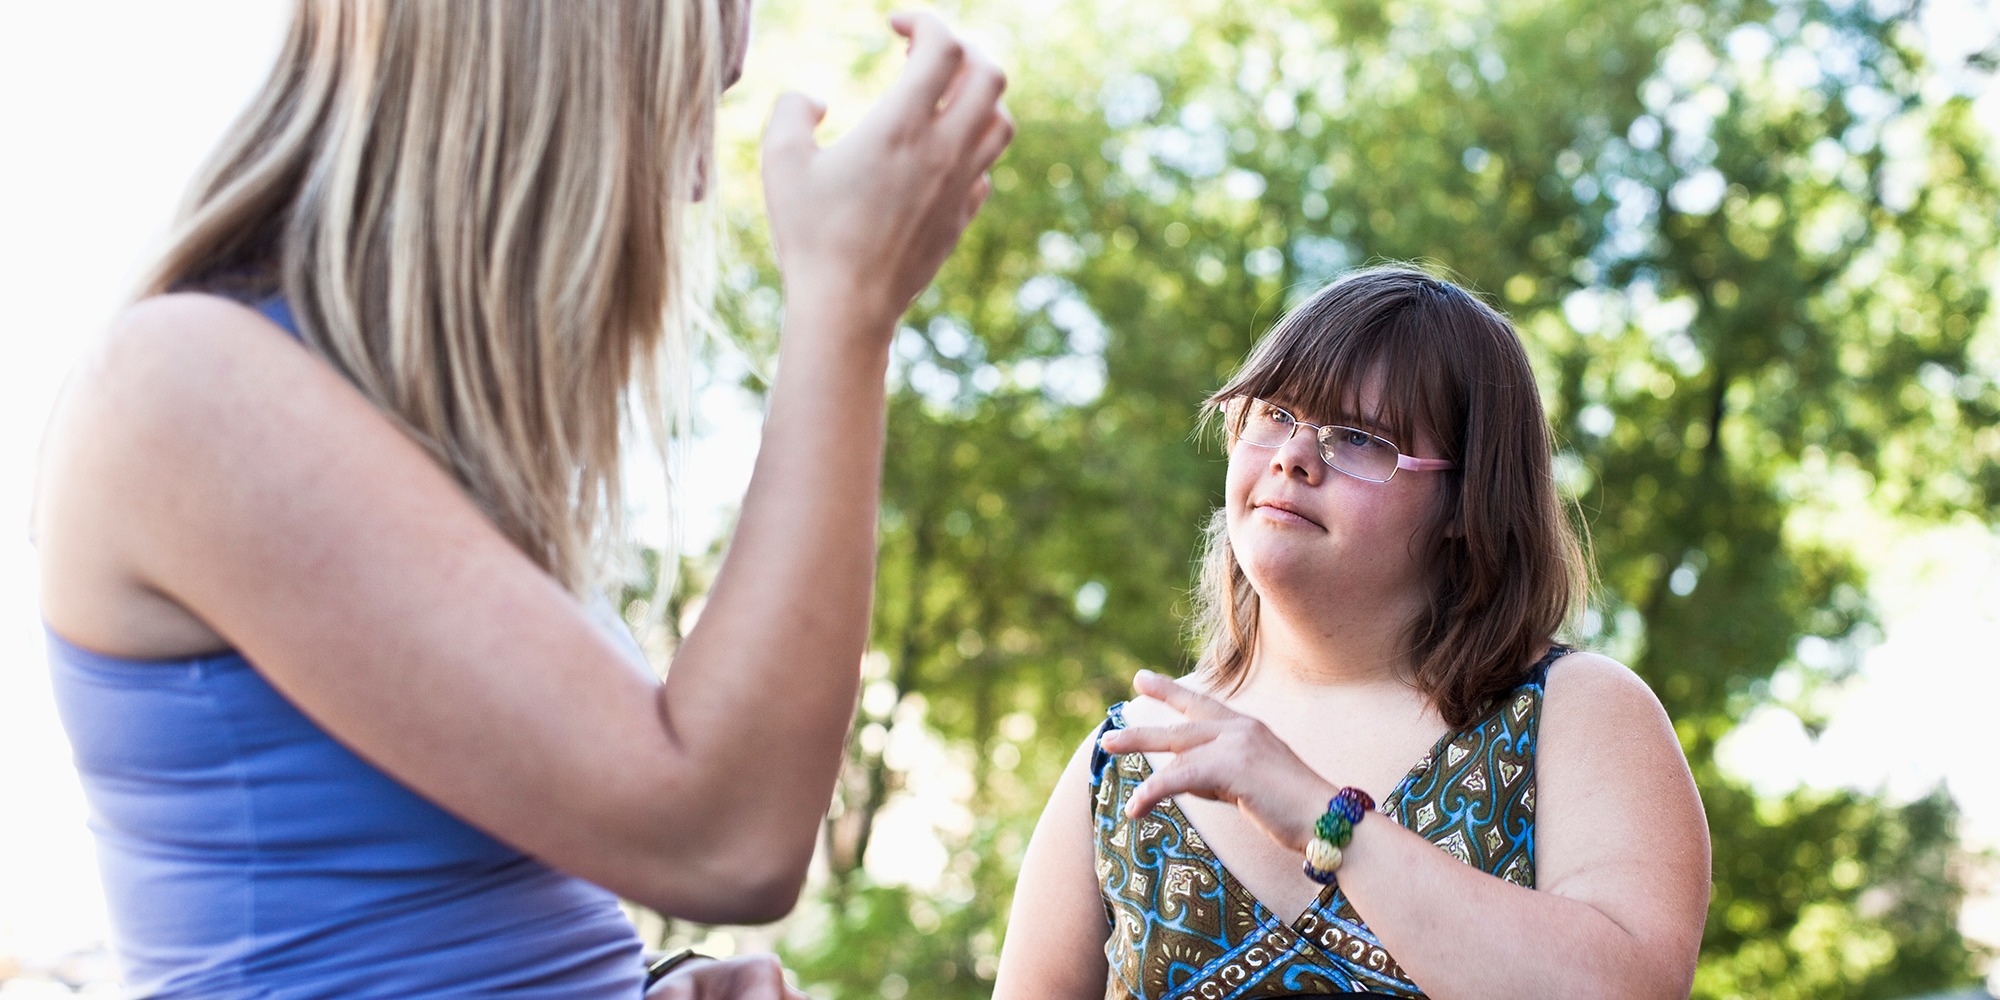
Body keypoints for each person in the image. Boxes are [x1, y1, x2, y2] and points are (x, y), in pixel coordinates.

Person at [32, 1, 1011, 996]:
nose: (697, 182)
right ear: (542, 82)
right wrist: (847, 305)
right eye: (677, 110)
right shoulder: (188, 386)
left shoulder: (418, 456)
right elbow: (727, 840)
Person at [993, 266, 1710, 999]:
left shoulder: (1576, 712)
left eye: (1361, 438)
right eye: (1272, 413)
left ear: (1468, 500)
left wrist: (1323, 816)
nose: (1293, 456)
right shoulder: (1125, 758)